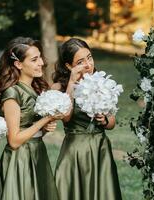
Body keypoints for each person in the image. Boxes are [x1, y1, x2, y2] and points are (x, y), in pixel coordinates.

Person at [52, 38, 122, 200]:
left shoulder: (102, 83)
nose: (88, 64)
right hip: (75, 150)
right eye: (80, 61)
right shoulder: (59, 88)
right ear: (69, 66)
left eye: (89, 57)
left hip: (100, 148)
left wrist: (104, 120)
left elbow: (112, 123)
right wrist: (71, 82)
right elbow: (66, 117)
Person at [0, 37, 60, 200]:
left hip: (37, 152)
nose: (41, 63)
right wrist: (44, 121)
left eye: (40, 57)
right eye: (34, 59)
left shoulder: (34, 89)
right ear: (18, 64)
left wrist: (43, 130)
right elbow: (14, 140)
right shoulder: (12, 93)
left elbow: (29, 130)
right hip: (20, 159)